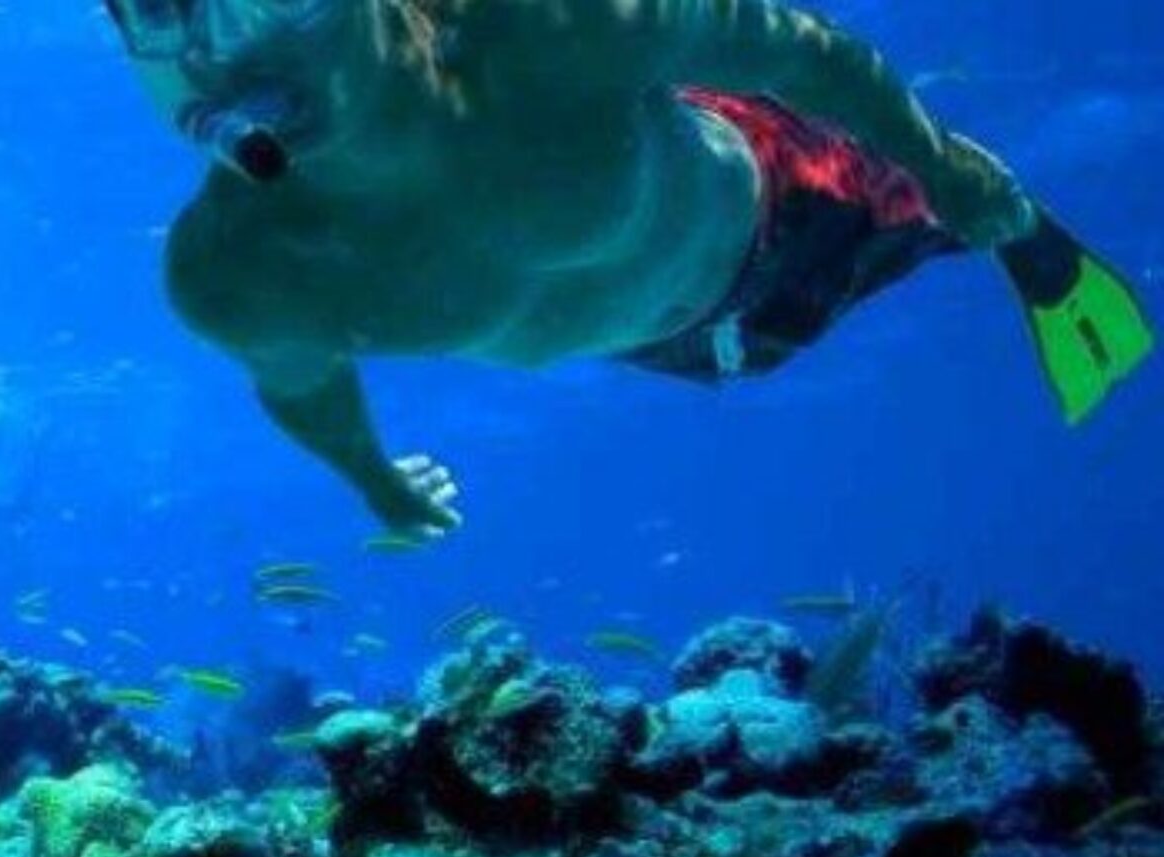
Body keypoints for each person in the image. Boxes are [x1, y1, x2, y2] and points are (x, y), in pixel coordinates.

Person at [106, 0, 1155, 539]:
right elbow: (300, 377)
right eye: (158, 10)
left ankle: (1016, 225)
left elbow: (797, 54)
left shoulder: (540, 31)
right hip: (680, 349)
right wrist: (374, 482)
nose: (219, 51)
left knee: (948, 210)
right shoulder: (233, 270)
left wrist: (938, 167)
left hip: (789, 213)